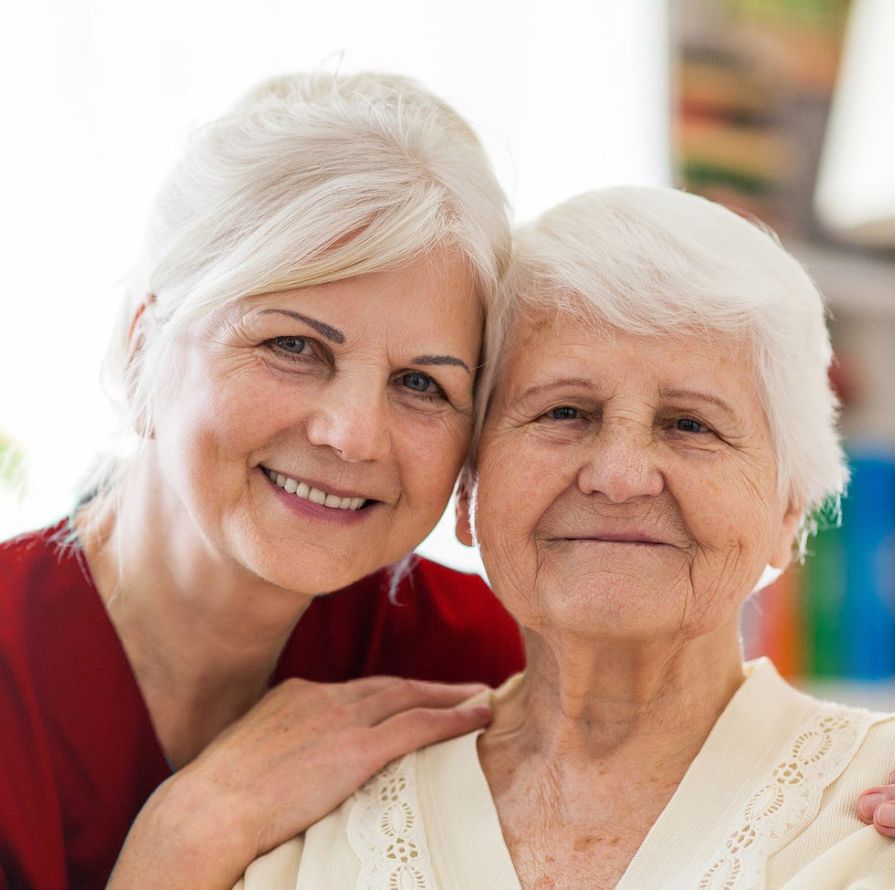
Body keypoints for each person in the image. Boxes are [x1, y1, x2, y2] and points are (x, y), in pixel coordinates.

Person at [240, 187, 895, 888]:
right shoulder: (316, 821)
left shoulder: (871, 812)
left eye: (689, 424)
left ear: (789, 508)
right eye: (564, 412)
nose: (618, 476)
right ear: (468, 490)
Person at [0, 71, 524, 890]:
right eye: (293, 347)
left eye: (422, 384)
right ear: (146, 344)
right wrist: (190, 836)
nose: (351, 435)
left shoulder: (475, 666)